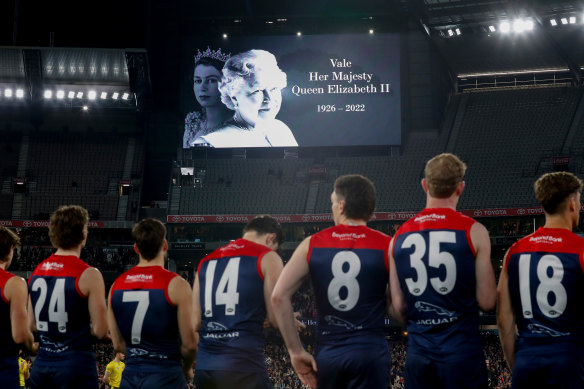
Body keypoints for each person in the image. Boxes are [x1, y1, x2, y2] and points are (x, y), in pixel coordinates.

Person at [272, 175, 392, 389]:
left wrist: (296, 351)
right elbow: (398, 305)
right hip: (371, 352)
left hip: (330, 354)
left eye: (333, 203)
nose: (332, 208)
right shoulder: (387, 245)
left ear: (342, 206)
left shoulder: (312, 244)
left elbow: (278, 297)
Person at [389, 153, 496, 389]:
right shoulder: (474, 231)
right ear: (460, 188)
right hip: (463, 357)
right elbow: (488, 301)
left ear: (425, 185)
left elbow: (397, 308)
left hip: (419, 357)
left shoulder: (399, 236)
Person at [497, 171, 584, 388]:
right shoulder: (580, 249)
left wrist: (516, 365)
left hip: (528, 362)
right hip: (570, 363)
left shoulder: (514, 252)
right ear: (572, 204)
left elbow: (503, 319)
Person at [193, 215, 286, 389]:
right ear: (271, 237)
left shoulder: (205, 262)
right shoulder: (267, 256)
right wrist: (286, 318)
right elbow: (276, 319)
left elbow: (195, 322)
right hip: (243, 367)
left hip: (205, 369)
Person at [108, 218, 196, 389]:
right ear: (165, 245)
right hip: (166, 375)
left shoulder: (116, 286)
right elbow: (190, 345)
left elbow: (118, 344)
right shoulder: (177, 284)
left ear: (135, 248)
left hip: (130, 377)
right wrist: (186, 369)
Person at [28, 205, 108, 389]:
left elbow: (31, 326)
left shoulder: (37, 272)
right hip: (75, 366)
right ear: (83, 235)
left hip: (42, 364)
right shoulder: (89, 274)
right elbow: (101, 331)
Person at [194, 49, 298, 148]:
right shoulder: (211, 143)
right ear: (234, 98)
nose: (269, 99)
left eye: (274, 88)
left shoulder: (281, 129)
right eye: (257, 91)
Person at [0, 227, 35, 389]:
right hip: (4, 367)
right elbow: (21, 336)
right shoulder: (14, 283)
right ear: (9, 249)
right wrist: (33, 346)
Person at [183, 47, 233, 148]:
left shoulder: (237, 126)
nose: (202, 88)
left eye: (212, 80)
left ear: (227, 83)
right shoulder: (193, 123)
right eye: (198, 81)